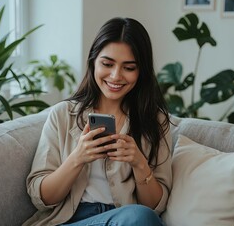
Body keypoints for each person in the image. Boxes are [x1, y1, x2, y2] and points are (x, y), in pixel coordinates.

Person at [23, 17, 172, 226]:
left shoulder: (155, 121)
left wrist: (139, 164)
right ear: (93, 61)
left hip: (127, 219)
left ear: (141, 71)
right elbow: (42, 198)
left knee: (142, 217)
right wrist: (78, 157)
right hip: (70, 221)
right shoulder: (62, 115)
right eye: (107, 64)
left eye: (129, 68)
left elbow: (156, 207)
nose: (116, 76)